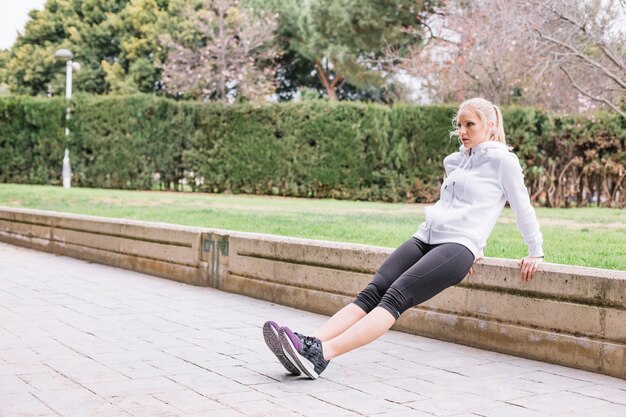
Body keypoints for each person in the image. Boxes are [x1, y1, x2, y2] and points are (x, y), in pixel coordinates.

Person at [263, 97, 545, 380]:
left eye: (469, 124)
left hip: (458, 246)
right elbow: (458, 205)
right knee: (373, 291)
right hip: (425, 236)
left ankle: (322, 354)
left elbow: (521, 207)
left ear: (490, 125)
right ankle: (305, 344)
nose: (462, 131)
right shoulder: (456, 161)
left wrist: (535, 251)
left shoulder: (503, 161)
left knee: (395, 297)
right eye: (459, 125)